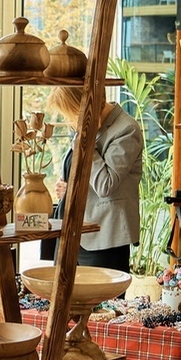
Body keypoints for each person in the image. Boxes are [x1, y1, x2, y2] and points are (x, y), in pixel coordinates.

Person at [45, 86, 143, 274]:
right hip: (71, 235)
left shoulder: (126, 130)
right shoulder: (85, 127)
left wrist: (86, 143)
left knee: (101, 294)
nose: (69, 121)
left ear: (84, 106)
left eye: (71, 114)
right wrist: (68, 189)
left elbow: (106, 185)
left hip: (104, 239)